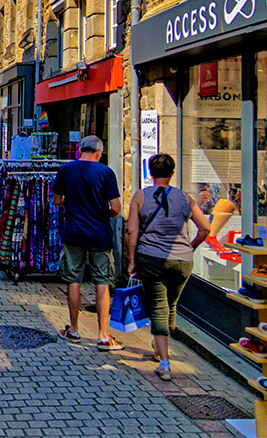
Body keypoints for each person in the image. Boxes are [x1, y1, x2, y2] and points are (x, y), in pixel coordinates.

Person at [126, 153, 211, 381]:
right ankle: (160, 345)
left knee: (158, 307)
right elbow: (205, 228)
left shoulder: (140, 197)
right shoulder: (185, 197)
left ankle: (164, 362)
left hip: (152, 258)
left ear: (150, 173)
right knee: (170, 303)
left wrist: (132, 261)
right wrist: (190, 247)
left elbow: (132, 231)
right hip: (182, 260)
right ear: (172, 173)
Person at [52, 135, 125, 351]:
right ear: (99, 152)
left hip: (74, 232)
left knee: (73, 279)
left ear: (80, 150)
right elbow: (117, 208)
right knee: (101, 281)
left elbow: (57, 200)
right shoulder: (106, 172)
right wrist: (103, 212)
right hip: (99, 234)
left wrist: (72, 203)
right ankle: (103, 336)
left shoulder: (66, 169)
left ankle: (74, 329)